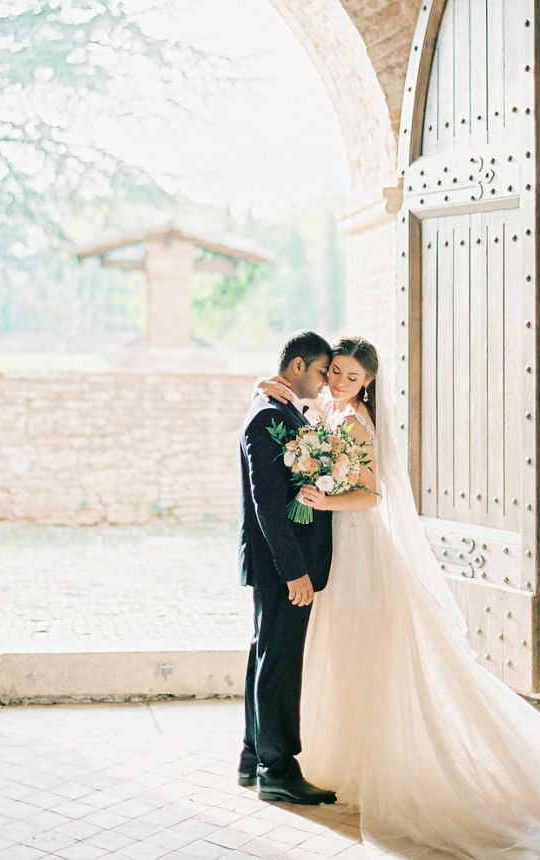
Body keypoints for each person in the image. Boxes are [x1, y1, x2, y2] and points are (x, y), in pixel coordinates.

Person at [258, 335, 540, 858]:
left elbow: (372, 495)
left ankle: (374, 763)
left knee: (368, 650)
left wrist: (325, 500)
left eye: (352, 377)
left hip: (359, 547)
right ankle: (324, 756)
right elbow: (293, 412)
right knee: (341, 650)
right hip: (334, 549)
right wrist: (265, 387)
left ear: (369, 384)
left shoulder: (355, 423)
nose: (341, 383)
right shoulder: (324, 405)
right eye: (337, 373)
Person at [238, 330, 337, 805]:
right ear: (297, 366)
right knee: (279, 663)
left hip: (280, 563)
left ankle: (252, 754)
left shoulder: (278, 408)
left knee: (266, 655)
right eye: (321, 372)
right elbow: (267, 506)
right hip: (283, 565)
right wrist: (294, 570)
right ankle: (277, 770)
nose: (323, 384)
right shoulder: (267, 417)